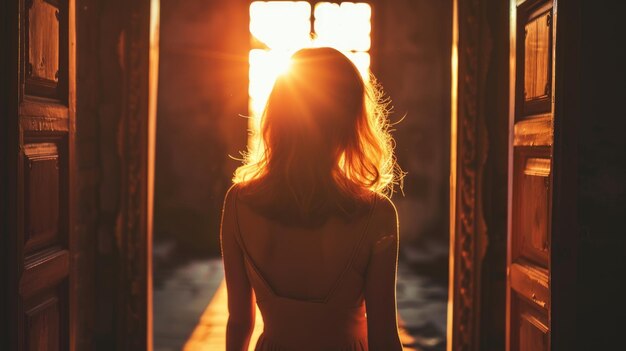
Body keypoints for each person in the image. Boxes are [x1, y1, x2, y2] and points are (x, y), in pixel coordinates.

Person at [220, 47, 404, 351]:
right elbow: (384, 337)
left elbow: (239, 322)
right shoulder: (377, 214)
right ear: (351, 122)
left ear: (277, 117)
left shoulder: (239, 204)